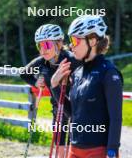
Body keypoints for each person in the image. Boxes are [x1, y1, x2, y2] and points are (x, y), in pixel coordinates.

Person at [51, 15, 123, 158]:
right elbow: (72, 112)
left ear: (93, 41)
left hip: (98, 151)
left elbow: (116, 118)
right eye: (71, 40)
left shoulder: (109, 73)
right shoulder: (77, 73)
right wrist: (54, 85)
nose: (71, 45)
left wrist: (112, 151)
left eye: (75, 40)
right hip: (75, 148)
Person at [20, 24, 81, 157]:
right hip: (57, 108)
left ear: (59, 43)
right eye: (39, 46)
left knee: (73, 148)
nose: (43, 50)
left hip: (75, 109)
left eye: (46, 45)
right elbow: (24, 73)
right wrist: (36, 82)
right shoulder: (42, 62)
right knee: (59, 147)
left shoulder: (73, 60)